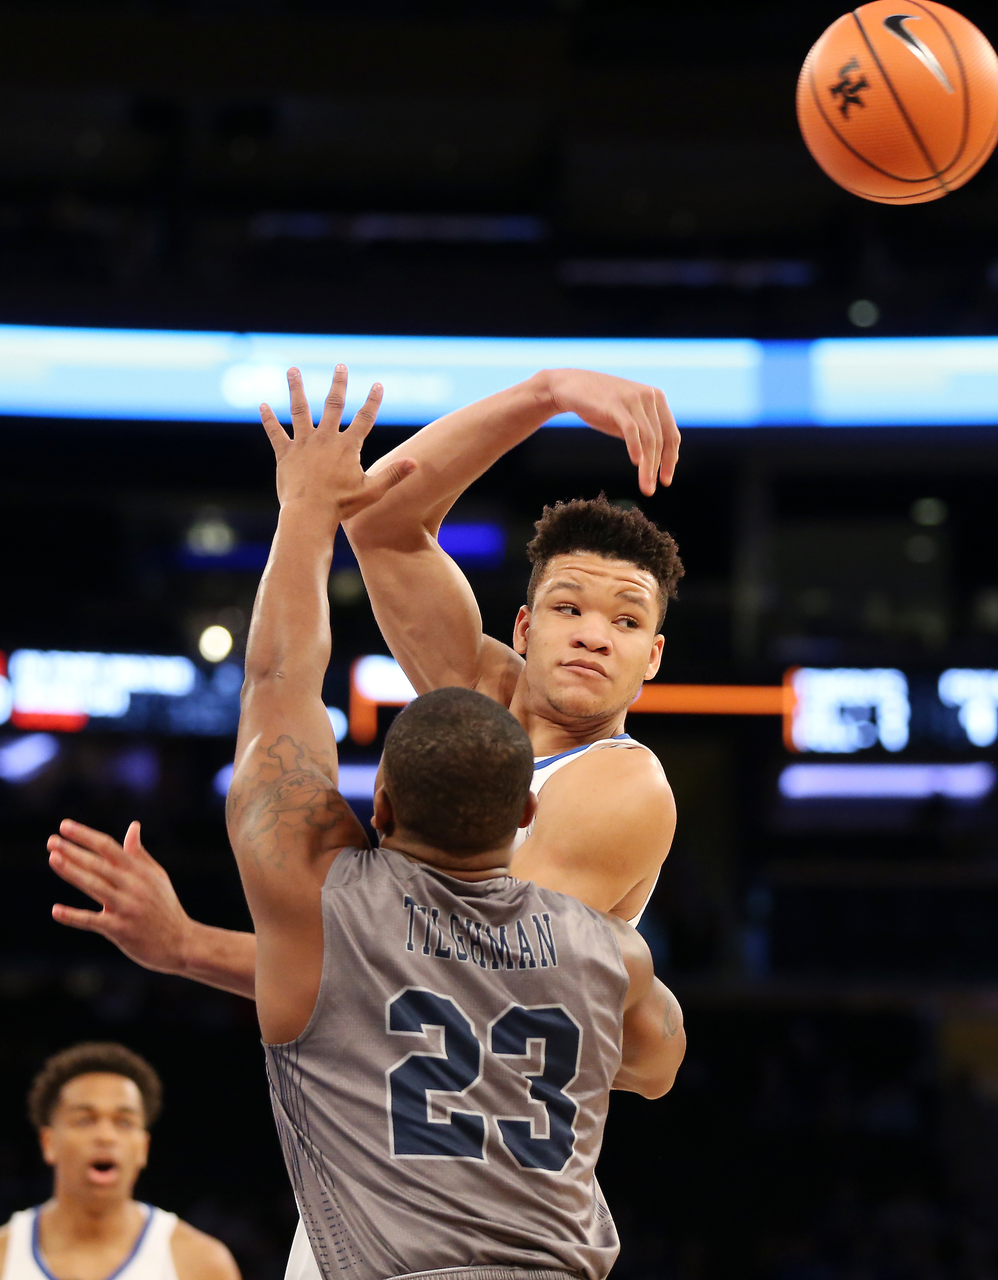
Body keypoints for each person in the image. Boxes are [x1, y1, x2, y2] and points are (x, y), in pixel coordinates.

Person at [45, 365, 686, 1278]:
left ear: (653, 656)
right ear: (525, 622)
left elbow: (412, 973)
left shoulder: (624, 787)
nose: (591, 633)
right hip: (395, 1168)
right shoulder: (476, 696)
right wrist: (544, 395)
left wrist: (189, 947)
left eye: (625, 622)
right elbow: (381, 518)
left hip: (470, 1186)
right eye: (568, 608)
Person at [0, 1043, 240, 1280]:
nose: (106, 1136)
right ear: (48, 1142)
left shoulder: (201, 1263)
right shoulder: (4, 1255)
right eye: (84, 1120)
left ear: (143, 1148)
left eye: (124, 1122)